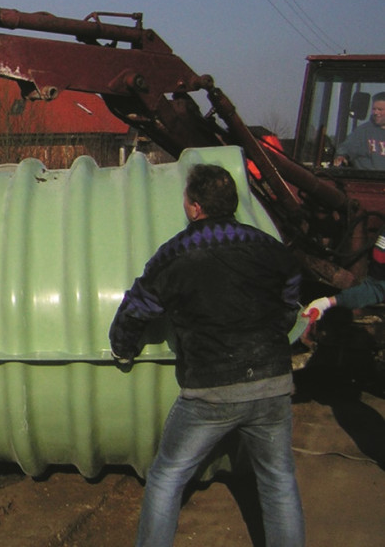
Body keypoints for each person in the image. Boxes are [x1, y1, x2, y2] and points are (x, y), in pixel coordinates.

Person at [108, 163, 305, 547]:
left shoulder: (176, 255)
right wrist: (275, 332)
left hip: (212, 392)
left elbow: (138, 307)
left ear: (195, 207)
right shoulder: (271, 249)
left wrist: (122, 348)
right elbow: (290, 299)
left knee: (167, 476)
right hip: (272, 383)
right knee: (278, 480)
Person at [334, 91, 385, 169]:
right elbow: (346, 149)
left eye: (380, 109)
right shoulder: (363, 132)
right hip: (367, 179)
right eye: (374, 109)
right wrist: (342, 157)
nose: (376, 112)